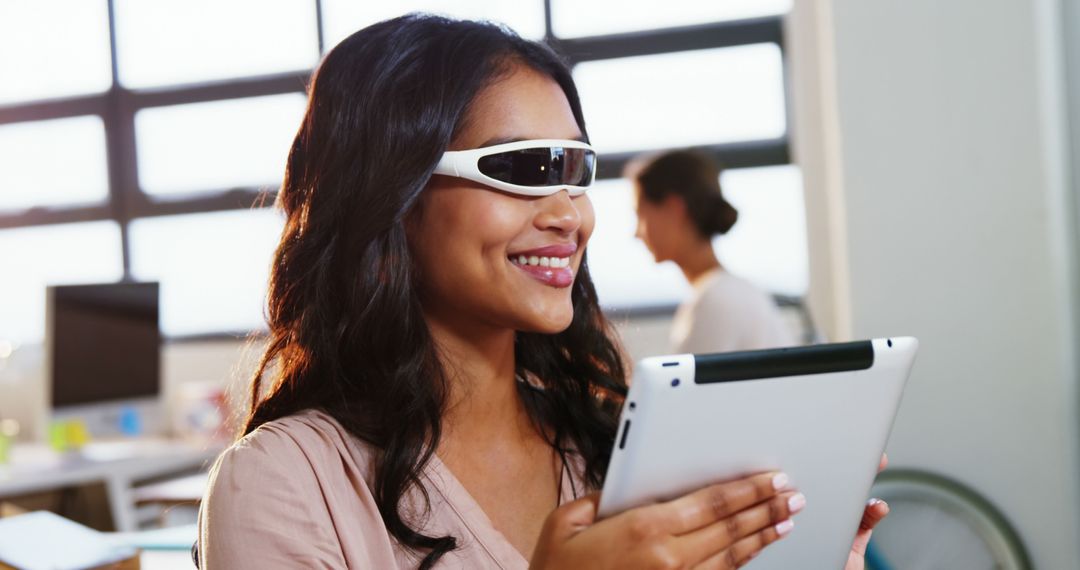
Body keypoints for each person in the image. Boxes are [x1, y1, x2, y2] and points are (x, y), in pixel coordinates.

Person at [197, 14, 887, 569]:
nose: (569, 213)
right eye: (522, 166)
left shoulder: (611, 445)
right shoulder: (282, 486)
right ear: (393, 195)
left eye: (574, 168)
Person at [629, 150, 797, 354]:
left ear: (674, 209)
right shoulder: (730, 291)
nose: (637, 233)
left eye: (640, 215)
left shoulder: (714, 300)